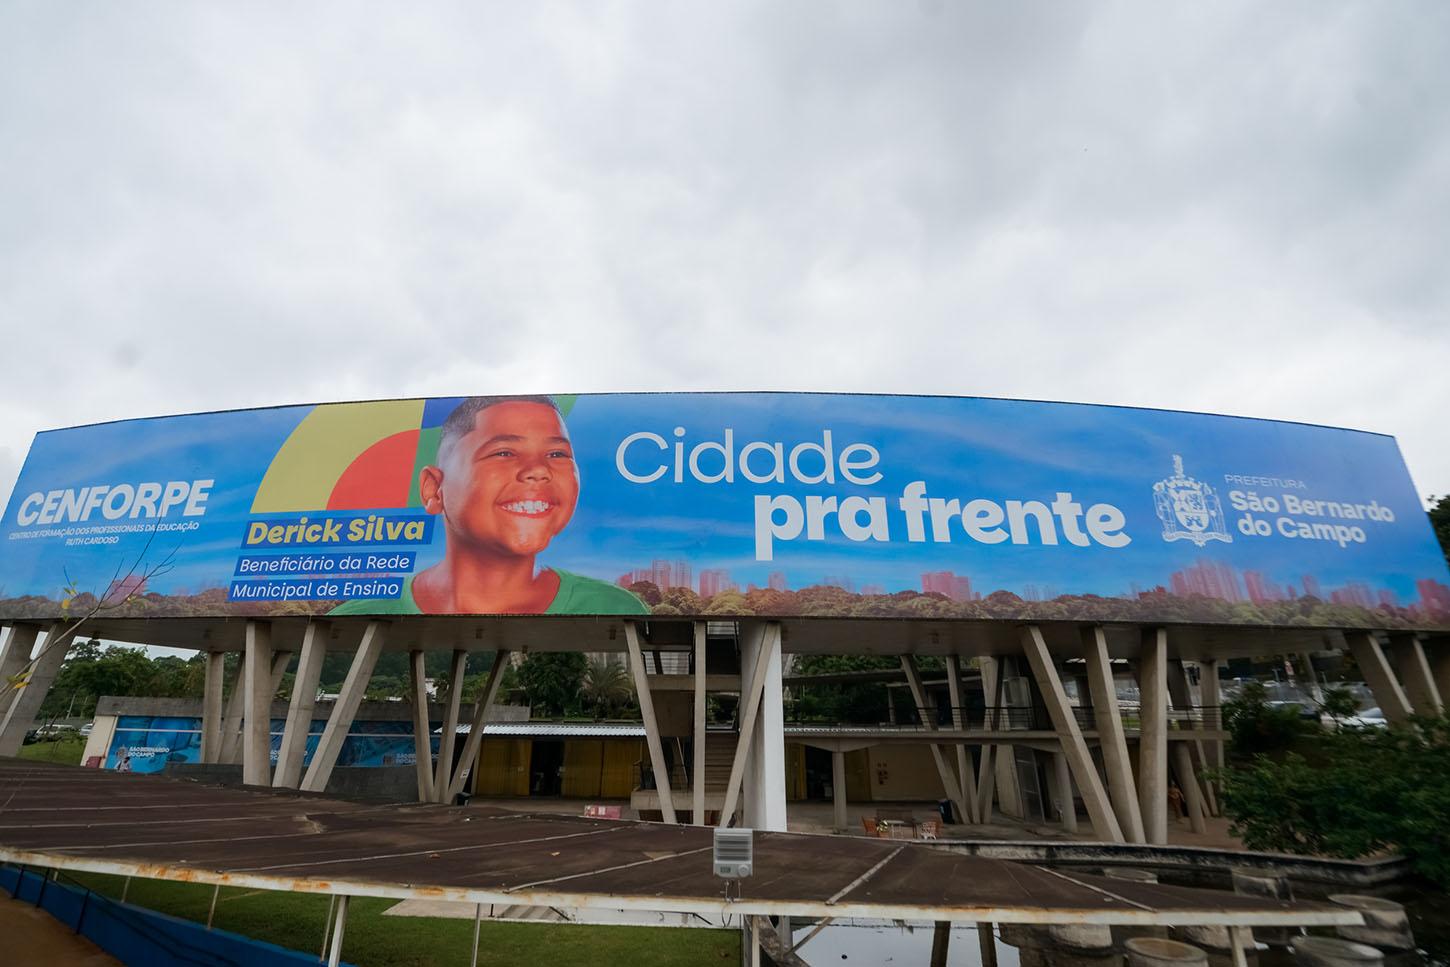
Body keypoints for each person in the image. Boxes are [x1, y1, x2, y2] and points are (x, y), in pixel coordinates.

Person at [333, 396, 647, 616]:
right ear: (434, 489)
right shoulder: (365, 611)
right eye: (504, 453)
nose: (538, 470)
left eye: (557, 454)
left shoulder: (616, 607)